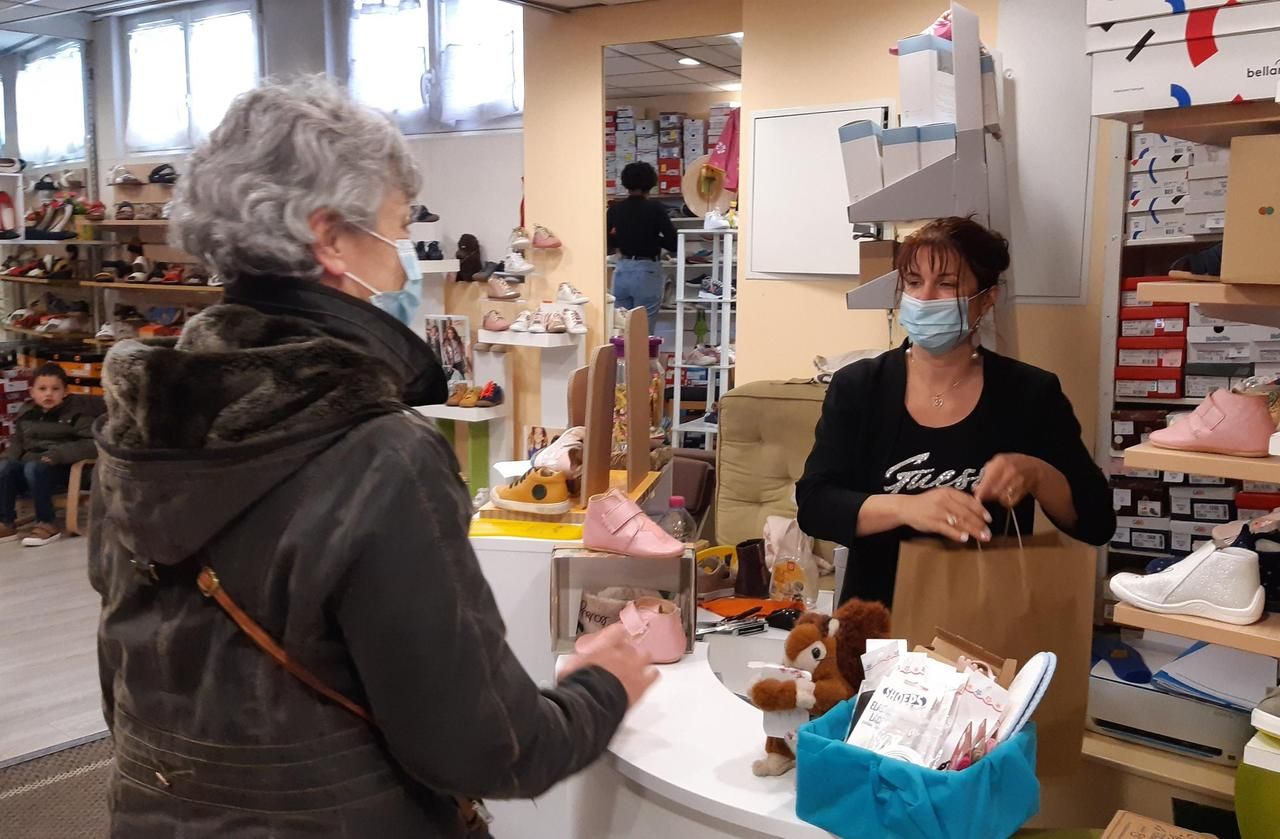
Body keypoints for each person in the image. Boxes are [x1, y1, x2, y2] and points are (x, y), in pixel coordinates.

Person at [89, 78, 657, 839]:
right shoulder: (380, 452)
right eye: (397, 232)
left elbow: (127, 682)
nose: (406, 264)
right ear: (329, 238)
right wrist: (604, 687)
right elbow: (489, 748)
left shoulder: (142, 420)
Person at [796, 217, 1114, 607]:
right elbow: (815, 507)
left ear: (986, 299)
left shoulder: (1030, 393)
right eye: (913, 282)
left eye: (946, 284)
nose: (925, 297)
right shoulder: (860, 387)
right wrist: (909, 507)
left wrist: (1037, 474)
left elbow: (1098, 521)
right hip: (876, 623)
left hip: (986, 623)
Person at [0, 363, 97, 547]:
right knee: (5, 467)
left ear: (65, 392)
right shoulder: (27, 413)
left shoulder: (77, 414)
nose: (48, 394)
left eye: (55, 389)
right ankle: (6, 523)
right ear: (32, 392)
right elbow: (17, 444)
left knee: (34, 467)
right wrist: (6, 459)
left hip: (61, 470)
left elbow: (91, 444)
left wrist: (57, 454)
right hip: (30, 470)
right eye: (42, 389)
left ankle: (47, 523)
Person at [607, 161, 677, 320]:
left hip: (622, 269)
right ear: (651, 183)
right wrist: (655, 239)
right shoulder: (655, 208)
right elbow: (673, 242)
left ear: (625, 182)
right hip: (647, 270)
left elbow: (610, 243)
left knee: (621, 328)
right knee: (644, 330)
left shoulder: (614, 209)